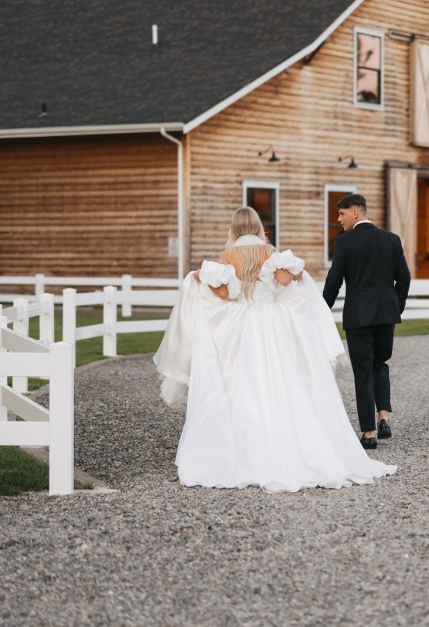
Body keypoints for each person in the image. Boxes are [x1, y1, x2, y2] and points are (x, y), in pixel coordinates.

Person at [153, 206, 395, 491]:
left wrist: (201, 278)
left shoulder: (229, 255)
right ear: (258, 226)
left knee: (243, 384)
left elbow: (226, 293)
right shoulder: (271, 253)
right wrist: (293, 275)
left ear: (235, 227)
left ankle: (248, 442)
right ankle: (290, 438)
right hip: (273, 323)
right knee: (285, 380)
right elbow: (282, 282)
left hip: (242, 326)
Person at [322, 193, 411, 449]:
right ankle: (384, 417)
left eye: (341, 214)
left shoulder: (344, 243)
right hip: (386, 315)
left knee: (363, 372)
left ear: (355, 213)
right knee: (380, 364)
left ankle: (369, 433)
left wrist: (321, 310)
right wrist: (396, 307)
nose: (339, 220)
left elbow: (334, 282)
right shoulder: (391, 240)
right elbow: (403, 279)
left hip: (359, 317)